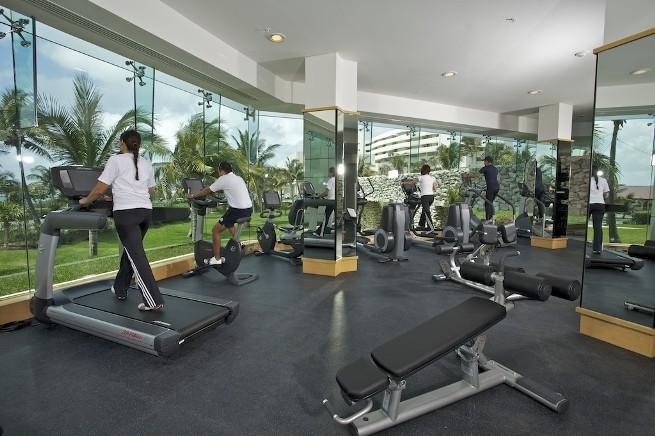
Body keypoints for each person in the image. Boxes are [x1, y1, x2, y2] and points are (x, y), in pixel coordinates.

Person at [80, 130, 164, 312]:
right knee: (131, 251)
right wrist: (126, 193)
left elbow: (100, 188)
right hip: (145, 212)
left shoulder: (115, 160)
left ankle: (153, 300)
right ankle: (120, 287)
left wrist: (85, 201)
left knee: (136, 255)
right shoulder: (146, 163)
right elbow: (151, 191)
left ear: (122, 143)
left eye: (119, 143)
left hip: (126, 214)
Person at [186, 161, 253, 265]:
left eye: (219, 172)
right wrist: (214, 190)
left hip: (237, 211)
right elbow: (225, 188)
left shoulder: (223, 178)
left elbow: (206, 191)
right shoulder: (238, 178)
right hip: (248, 210)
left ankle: (217, 259)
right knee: (229, 223)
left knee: (215, 230)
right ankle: (238, 245)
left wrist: (193, 196)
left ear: (221, 171)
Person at [405, 164, 438, 231]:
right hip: (431, 197)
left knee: (427, 212)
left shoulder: (421, 177)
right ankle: (421, 225)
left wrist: (404, 182)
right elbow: (435, 188)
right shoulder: (433, 178)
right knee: (424, 210)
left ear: (422, 170)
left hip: (425, 197)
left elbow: (412, 182)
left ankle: (430, 228)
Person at [589, 167, 610, 254]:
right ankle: (597, 249)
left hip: (589, 204)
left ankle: (578, 245)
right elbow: (606, 194)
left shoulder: (588, 180)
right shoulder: (603, 180)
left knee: (581, 225)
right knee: (597, 227)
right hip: (600, 205)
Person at [478, 156, 500, 221]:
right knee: (490, 202)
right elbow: (492, 177)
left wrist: (467, 176)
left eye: (484, 161)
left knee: (488, 203)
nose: (484, 163)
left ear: (487, 161)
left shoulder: (485, 168)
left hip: (491, 187)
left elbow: (477, 175)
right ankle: (491, 218)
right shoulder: (495, 169)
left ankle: (488, 220)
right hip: (497, 187)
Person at [318, 167, 336, 236]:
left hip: (331, 202)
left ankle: (320, 233)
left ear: (332, 173)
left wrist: (319, 196)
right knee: (338, 218)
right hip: (336, 201)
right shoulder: (337, 180)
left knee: (326, 218)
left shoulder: (331, 180)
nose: (328, 174)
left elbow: (326, 192)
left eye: (329, 172)